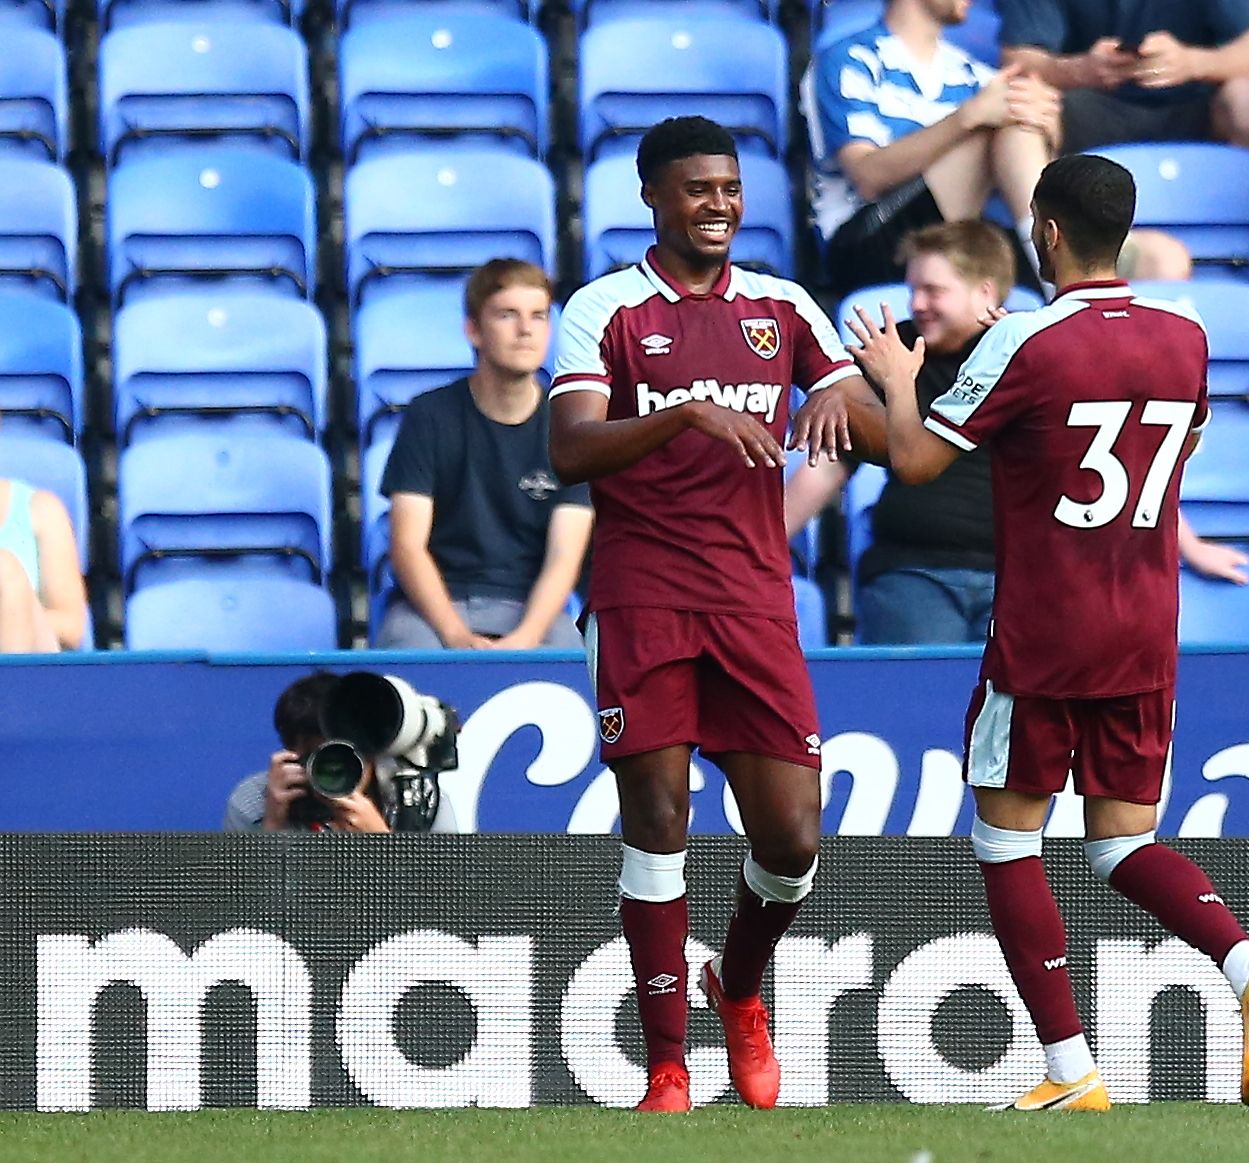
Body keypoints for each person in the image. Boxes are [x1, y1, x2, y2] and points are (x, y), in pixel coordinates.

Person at [845, 153, 1249, 1110]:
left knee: (1007, 844)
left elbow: (919, 459)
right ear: (1121, 231)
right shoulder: (1185, 335)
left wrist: (896, 375)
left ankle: (1070, 1071)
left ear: (1044, 232)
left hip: (1045, 632)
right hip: (1143, 628)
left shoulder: (1028, 344)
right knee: (1119, 842)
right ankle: (1245, 965)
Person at [547, 116, 884, 1113]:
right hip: (640, 592)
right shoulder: (604, 308)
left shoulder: (780, 306)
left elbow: (864, 422)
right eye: (697, 189)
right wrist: (686, 411)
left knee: (790, 839)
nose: (719, 205)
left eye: (730, 188)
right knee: (655, 820)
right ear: (651, 197)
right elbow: (569, 449)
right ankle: (666, 1066)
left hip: (751, 598)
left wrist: (853, 402)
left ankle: (735, 985)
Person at [784, 220, 1244, 643]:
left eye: (933, 290)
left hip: (1025, 575)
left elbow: (1114, 460)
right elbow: (827, 469)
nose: (917, 305)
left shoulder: (1039, 351)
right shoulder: (892, 354)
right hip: (912, 571)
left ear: (985, 292)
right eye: (913, 291)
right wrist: (761, 543)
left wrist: (1191, 545)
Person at [804, 0, 1191, 296]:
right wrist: (968, 118)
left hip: (966, 245)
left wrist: (1048, 127)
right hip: (869, 246)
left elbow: (1024, 156)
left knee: (1166, 258)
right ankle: (1064, 275)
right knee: (1008, 114)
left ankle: (1064, 265)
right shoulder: (848, 59)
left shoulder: (972, 74)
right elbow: (868, 176)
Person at [376, 259, 594, 650]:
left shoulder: (570, 426)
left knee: (571, 658)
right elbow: (407, 546)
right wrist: (454, 634)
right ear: (473, 330)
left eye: (539, 316)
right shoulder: (429, 415)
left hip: (532, 610)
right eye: (508, 315)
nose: (526, 330)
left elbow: (565, 556)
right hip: (432, 609)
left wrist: (526, 639)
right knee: (410, 649)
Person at [997, 0, 1249, 159]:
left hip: (1194, 105)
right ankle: (1044, 251)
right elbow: (1017, 61)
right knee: (1023, 108)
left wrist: (1191, 63)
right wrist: (1079, 70)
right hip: (1090, 106)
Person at [222, 671, 460, 834]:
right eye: (322, 760)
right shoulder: (255, 803)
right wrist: (272, 825)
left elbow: (449, 905)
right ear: (293, 756)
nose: (338, 770)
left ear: (373, 750)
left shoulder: (418, 801)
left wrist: (384, 846)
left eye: (347, 756)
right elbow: (238, 905)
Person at [0, 471, 86, 653]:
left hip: (33, 652)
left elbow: (71, 626)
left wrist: (10, 614)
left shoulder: (41, 510)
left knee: (4, 569)